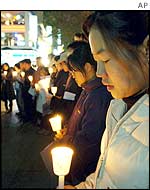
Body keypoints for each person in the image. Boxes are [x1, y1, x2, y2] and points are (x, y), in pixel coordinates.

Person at [64, 11, 149, 189]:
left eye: (106, 59)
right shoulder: (117, 107)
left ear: (146, 49)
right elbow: (106, 176)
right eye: (97, 61)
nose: (100, 73)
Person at [41, 42, 112, 186]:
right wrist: (67, 131)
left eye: (74, 71)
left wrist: (66, 143)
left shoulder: (98, 95)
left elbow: (90, 139)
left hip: (83, 168)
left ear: (87, 67)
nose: (72, 75)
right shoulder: (87, 89)